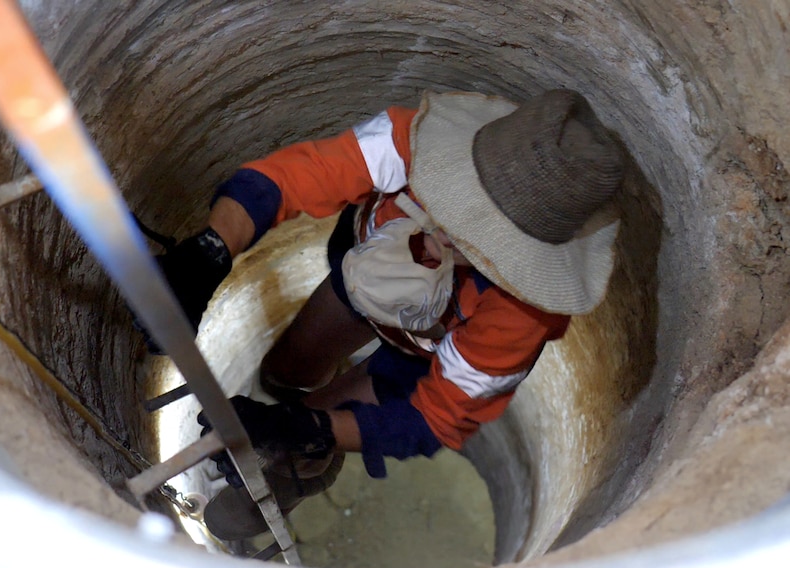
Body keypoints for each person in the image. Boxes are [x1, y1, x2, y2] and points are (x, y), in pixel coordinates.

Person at [142, 89, 624, 540]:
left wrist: (306, 429)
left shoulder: (520, 316)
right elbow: (291, 177)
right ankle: (286, 397)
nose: (439, 241)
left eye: (480, 247)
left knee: (304, 432)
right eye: (450, 210)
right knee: (283, 370)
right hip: (362, 276)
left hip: (423, 353)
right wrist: (210, 251)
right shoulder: (414, 142)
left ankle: (298, 470)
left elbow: (434, 417)